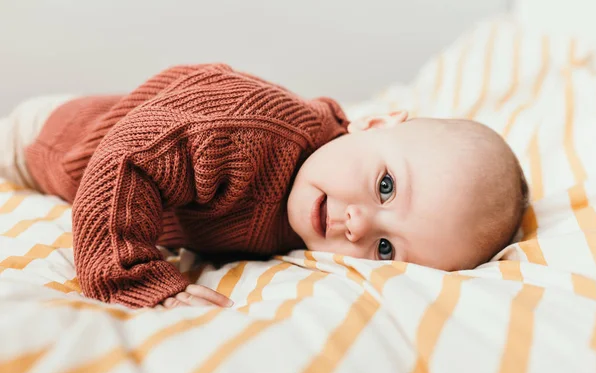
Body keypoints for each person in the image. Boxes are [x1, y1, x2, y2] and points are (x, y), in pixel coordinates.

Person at [0, 64, 528, 309]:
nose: (359, 223)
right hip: (52, 142)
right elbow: (128, 158)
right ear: (375, 124)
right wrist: (128, 276)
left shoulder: (315, 210)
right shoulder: (250, 134)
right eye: (386, 186)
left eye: (385, 248)